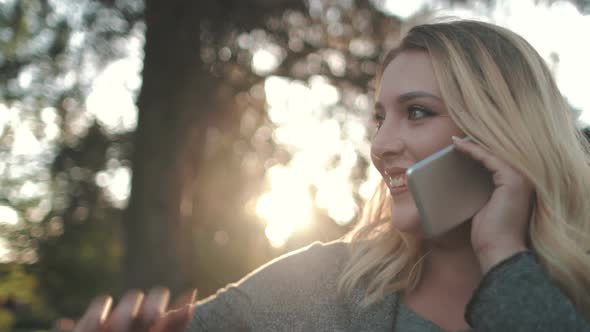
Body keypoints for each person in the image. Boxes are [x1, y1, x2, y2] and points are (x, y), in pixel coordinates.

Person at [73, 19, 590, 331]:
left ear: (503, 129)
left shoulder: (572, 297)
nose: (381, 145)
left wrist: (503, 257)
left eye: (416, 112)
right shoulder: (316, 286)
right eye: (379, 118)